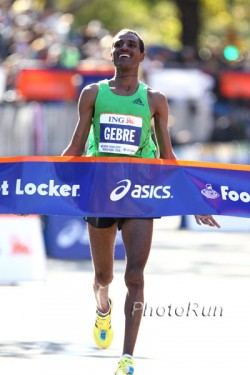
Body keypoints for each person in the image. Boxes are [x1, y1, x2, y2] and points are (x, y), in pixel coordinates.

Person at [62, 28, 220, 375]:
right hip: (101, 191)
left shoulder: (154, 100)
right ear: (112, 54)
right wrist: (38, 189)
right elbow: (75, 148)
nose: (125, 49)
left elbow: (168, 157)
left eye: (131, 45)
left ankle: (127, 359)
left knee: (135, 276)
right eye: (119, 44)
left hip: (139, 194)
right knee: (104, 277)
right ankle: (103, 308)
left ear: (142, 56)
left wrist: (193, 200)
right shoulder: (93, 93)